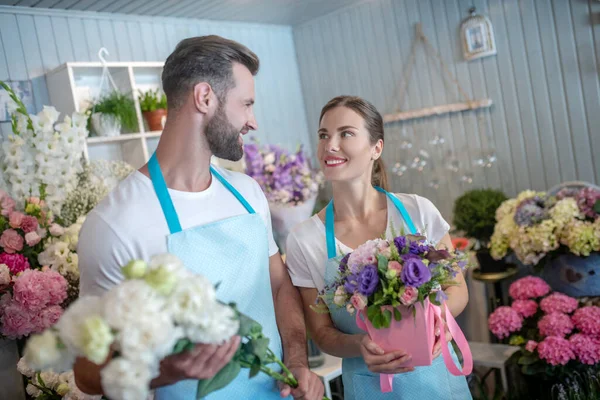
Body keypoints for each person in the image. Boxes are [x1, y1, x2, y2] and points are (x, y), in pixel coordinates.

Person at [74, 35, 324, 400]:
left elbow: (279, 286)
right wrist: (164, 371)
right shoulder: (115, 223)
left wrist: (298, 360)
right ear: (205, 97)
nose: (253, 122)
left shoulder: (248, 193)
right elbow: (86, 371)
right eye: (247, 104)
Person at [285, 96, 471, 399]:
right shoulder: (305, 239)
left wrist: (439, 319)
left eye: (345, 133)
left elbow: (457, 288)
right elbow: (322, 334)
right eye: (323, 135)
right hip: (369, 386)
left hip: (438, 382)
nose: (330, 145)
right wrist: (360, 345)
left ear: (376, 148)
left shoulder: (417, 211)